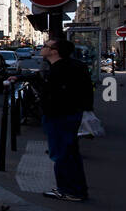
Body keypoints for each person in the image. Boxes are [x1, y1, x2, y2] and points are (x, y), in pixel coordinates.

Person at [31, 37, 93, 201]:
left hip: (59, 116)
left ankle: (68, 190)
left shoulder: (59, 70)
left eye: (46, 46)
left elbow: (54, 94)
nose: (42, 48)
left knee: (61, 154)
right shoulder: (76, 66)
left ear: (54, 51)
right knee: (71, 153)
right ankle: (78, 189)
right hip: (70, 114)